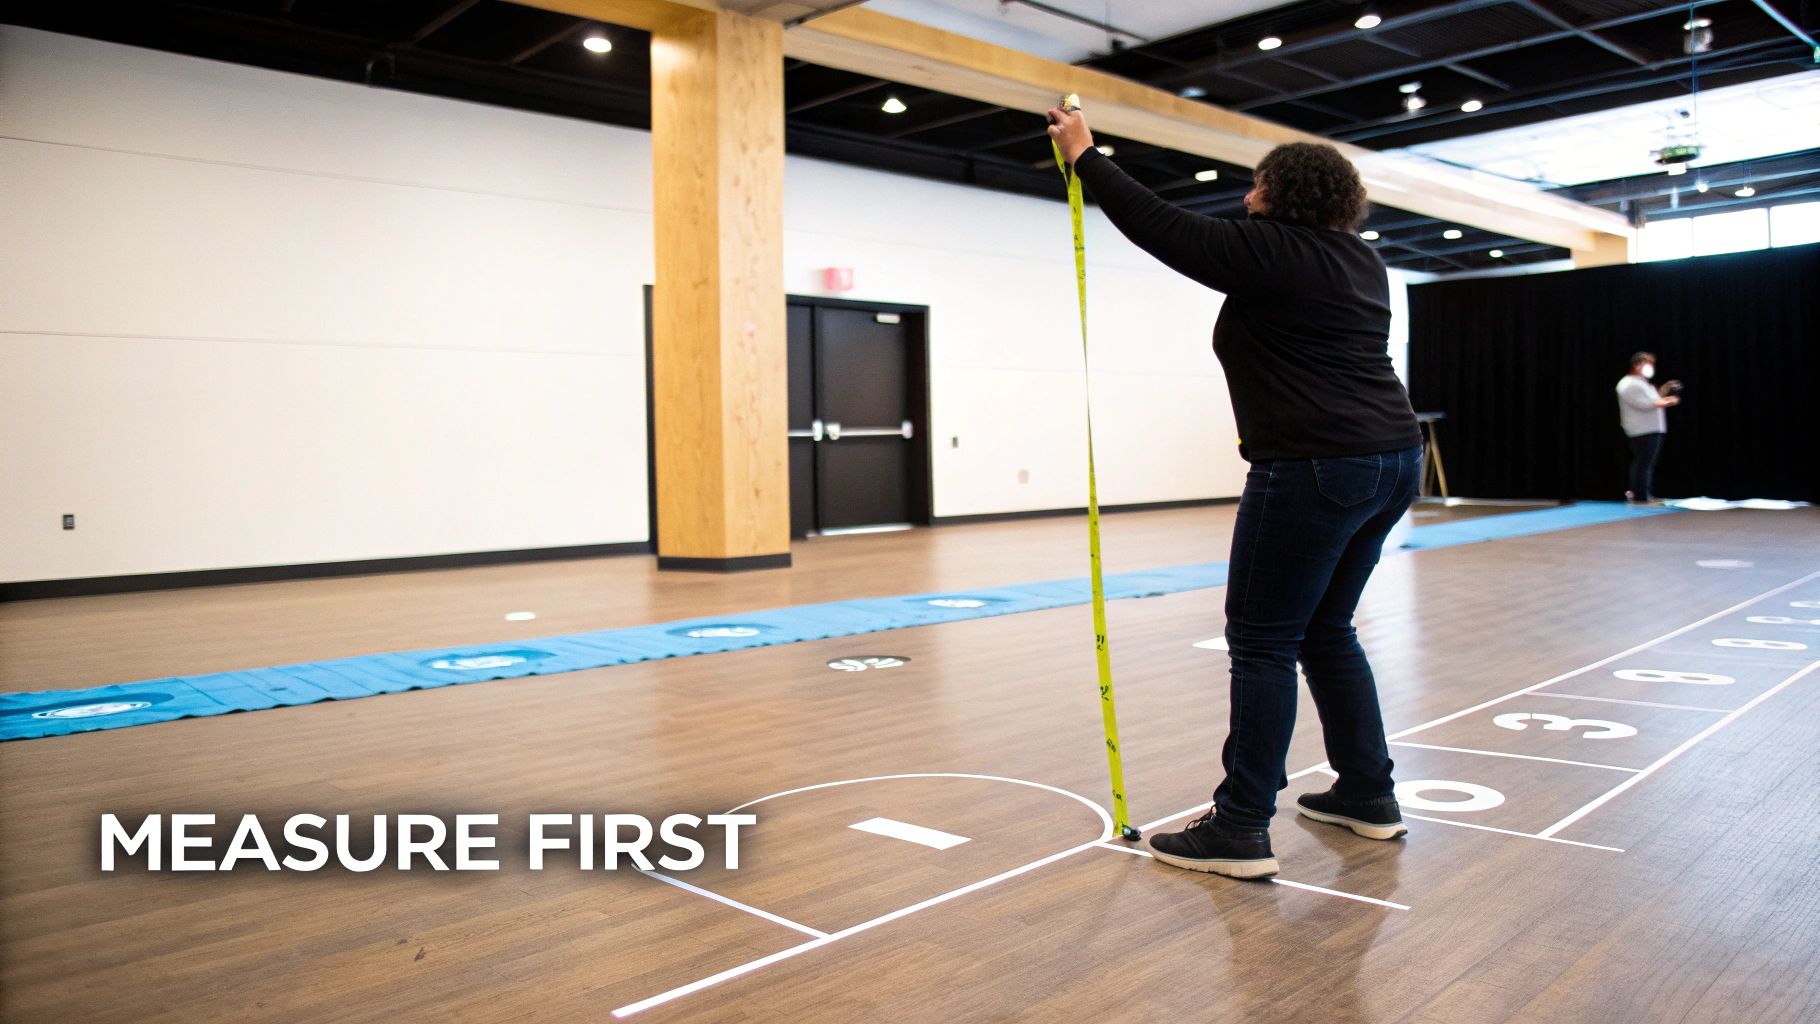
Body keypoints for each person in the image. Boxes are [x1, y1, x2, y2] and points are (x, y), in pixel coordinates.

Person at [1047, 106, 1423, 879]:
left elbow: (1163, 226)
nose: (1245, 195)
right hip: (1391, 457)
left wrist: (1086, 157)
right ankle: (1367, 795)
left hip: (1315, 466)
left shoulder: (1271, 252)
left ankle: (1242, 826)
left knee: (1260, 641)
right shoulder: (1358, 258)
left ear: (1274, 195)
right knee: (1327, 631)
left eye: (1256, 185)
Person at [1615, 352, 1680, 503]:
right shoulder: (1628, 383)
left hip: (1651, 429)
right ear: (1638, 365)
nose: (1651, 367)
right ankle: (1641, 496)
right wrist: (1669, 401)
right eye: (1648, 363)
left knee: (1646, 463)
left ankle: (1644, 494)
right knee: (1643, 463)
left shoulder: (1642, 383)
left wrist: (1664, 393)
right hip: (1642, 430)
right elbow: (1645, 404)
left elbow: (1653, 399)